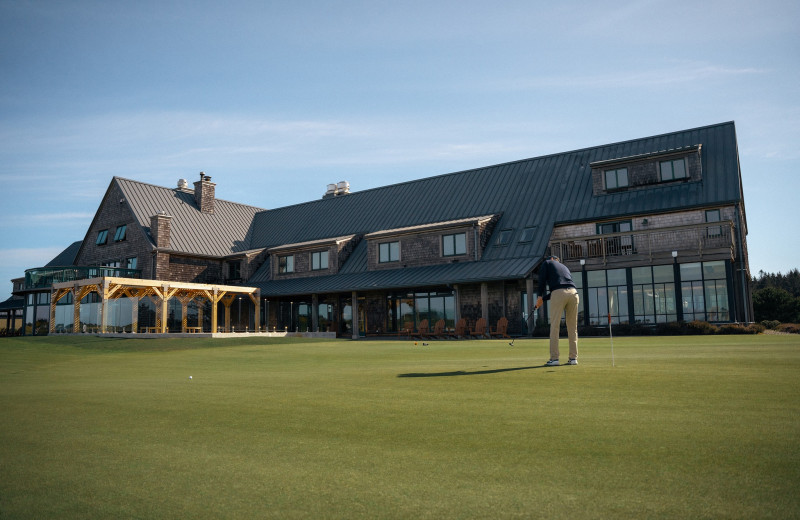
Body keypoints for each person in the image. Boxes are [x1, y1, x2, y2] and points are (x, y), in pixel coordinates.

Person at [535, 255, 580, 366]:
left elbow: (542, 280)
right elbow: (561, 288)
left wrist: (539, 296)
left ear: (551, 259)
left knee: (555, 326)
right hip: (574, 293)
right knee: (572, 328)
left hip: (559, 293)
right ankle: (573, 358)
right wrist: (543, 300)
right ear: (557, 260)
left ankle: (554, 359)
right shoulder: (565, 267)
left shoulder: (547, 263)